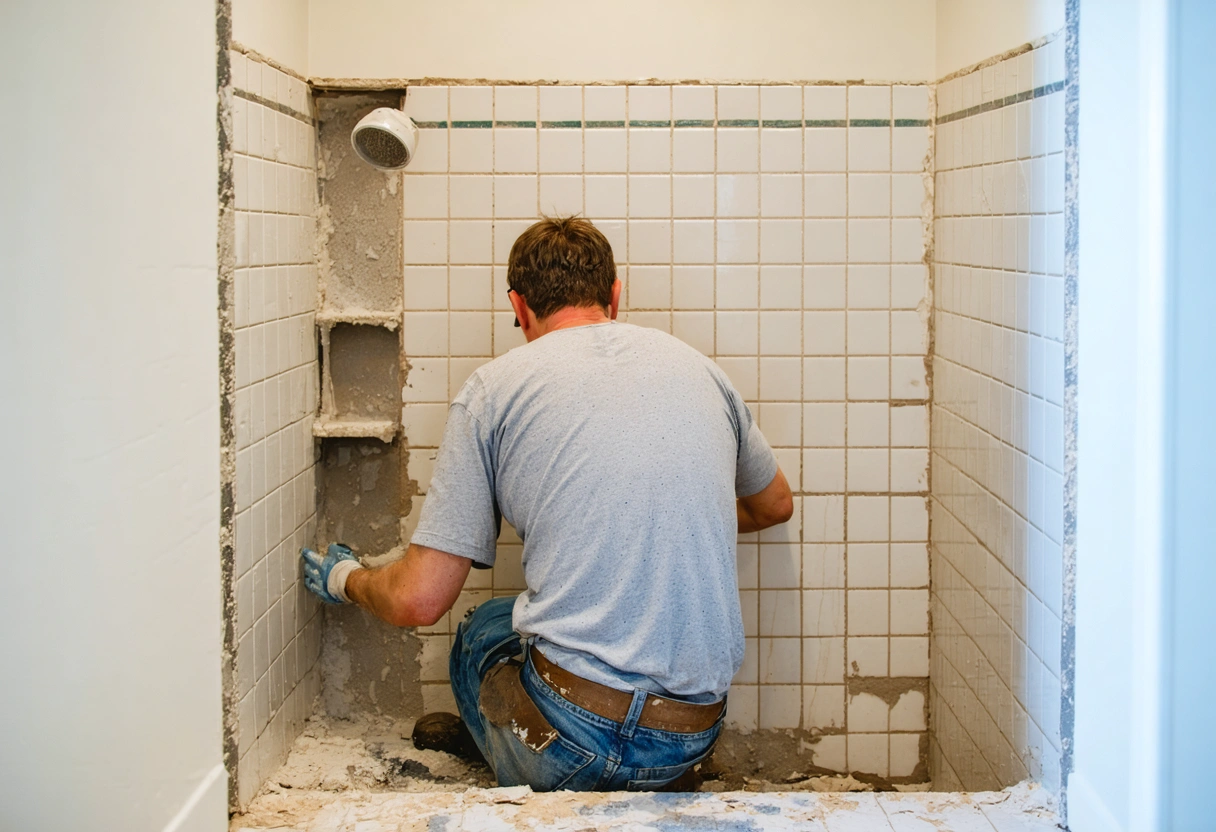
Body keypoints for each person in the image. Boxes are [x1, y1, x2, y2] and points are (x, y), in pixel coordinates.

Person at [301, 216, 793, 792]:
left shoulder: (493, 391)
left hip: (575, 746)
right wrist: (679, 513)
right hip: (691, 735)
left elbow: (419, 599)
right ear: (614, 294)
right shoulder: (701, 370)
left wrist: (347, 579)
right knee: (507, 622)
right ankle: (644, 772)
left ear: (518, 304)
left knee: (481, 631)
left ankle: (508, 747)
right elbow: (774, 506)